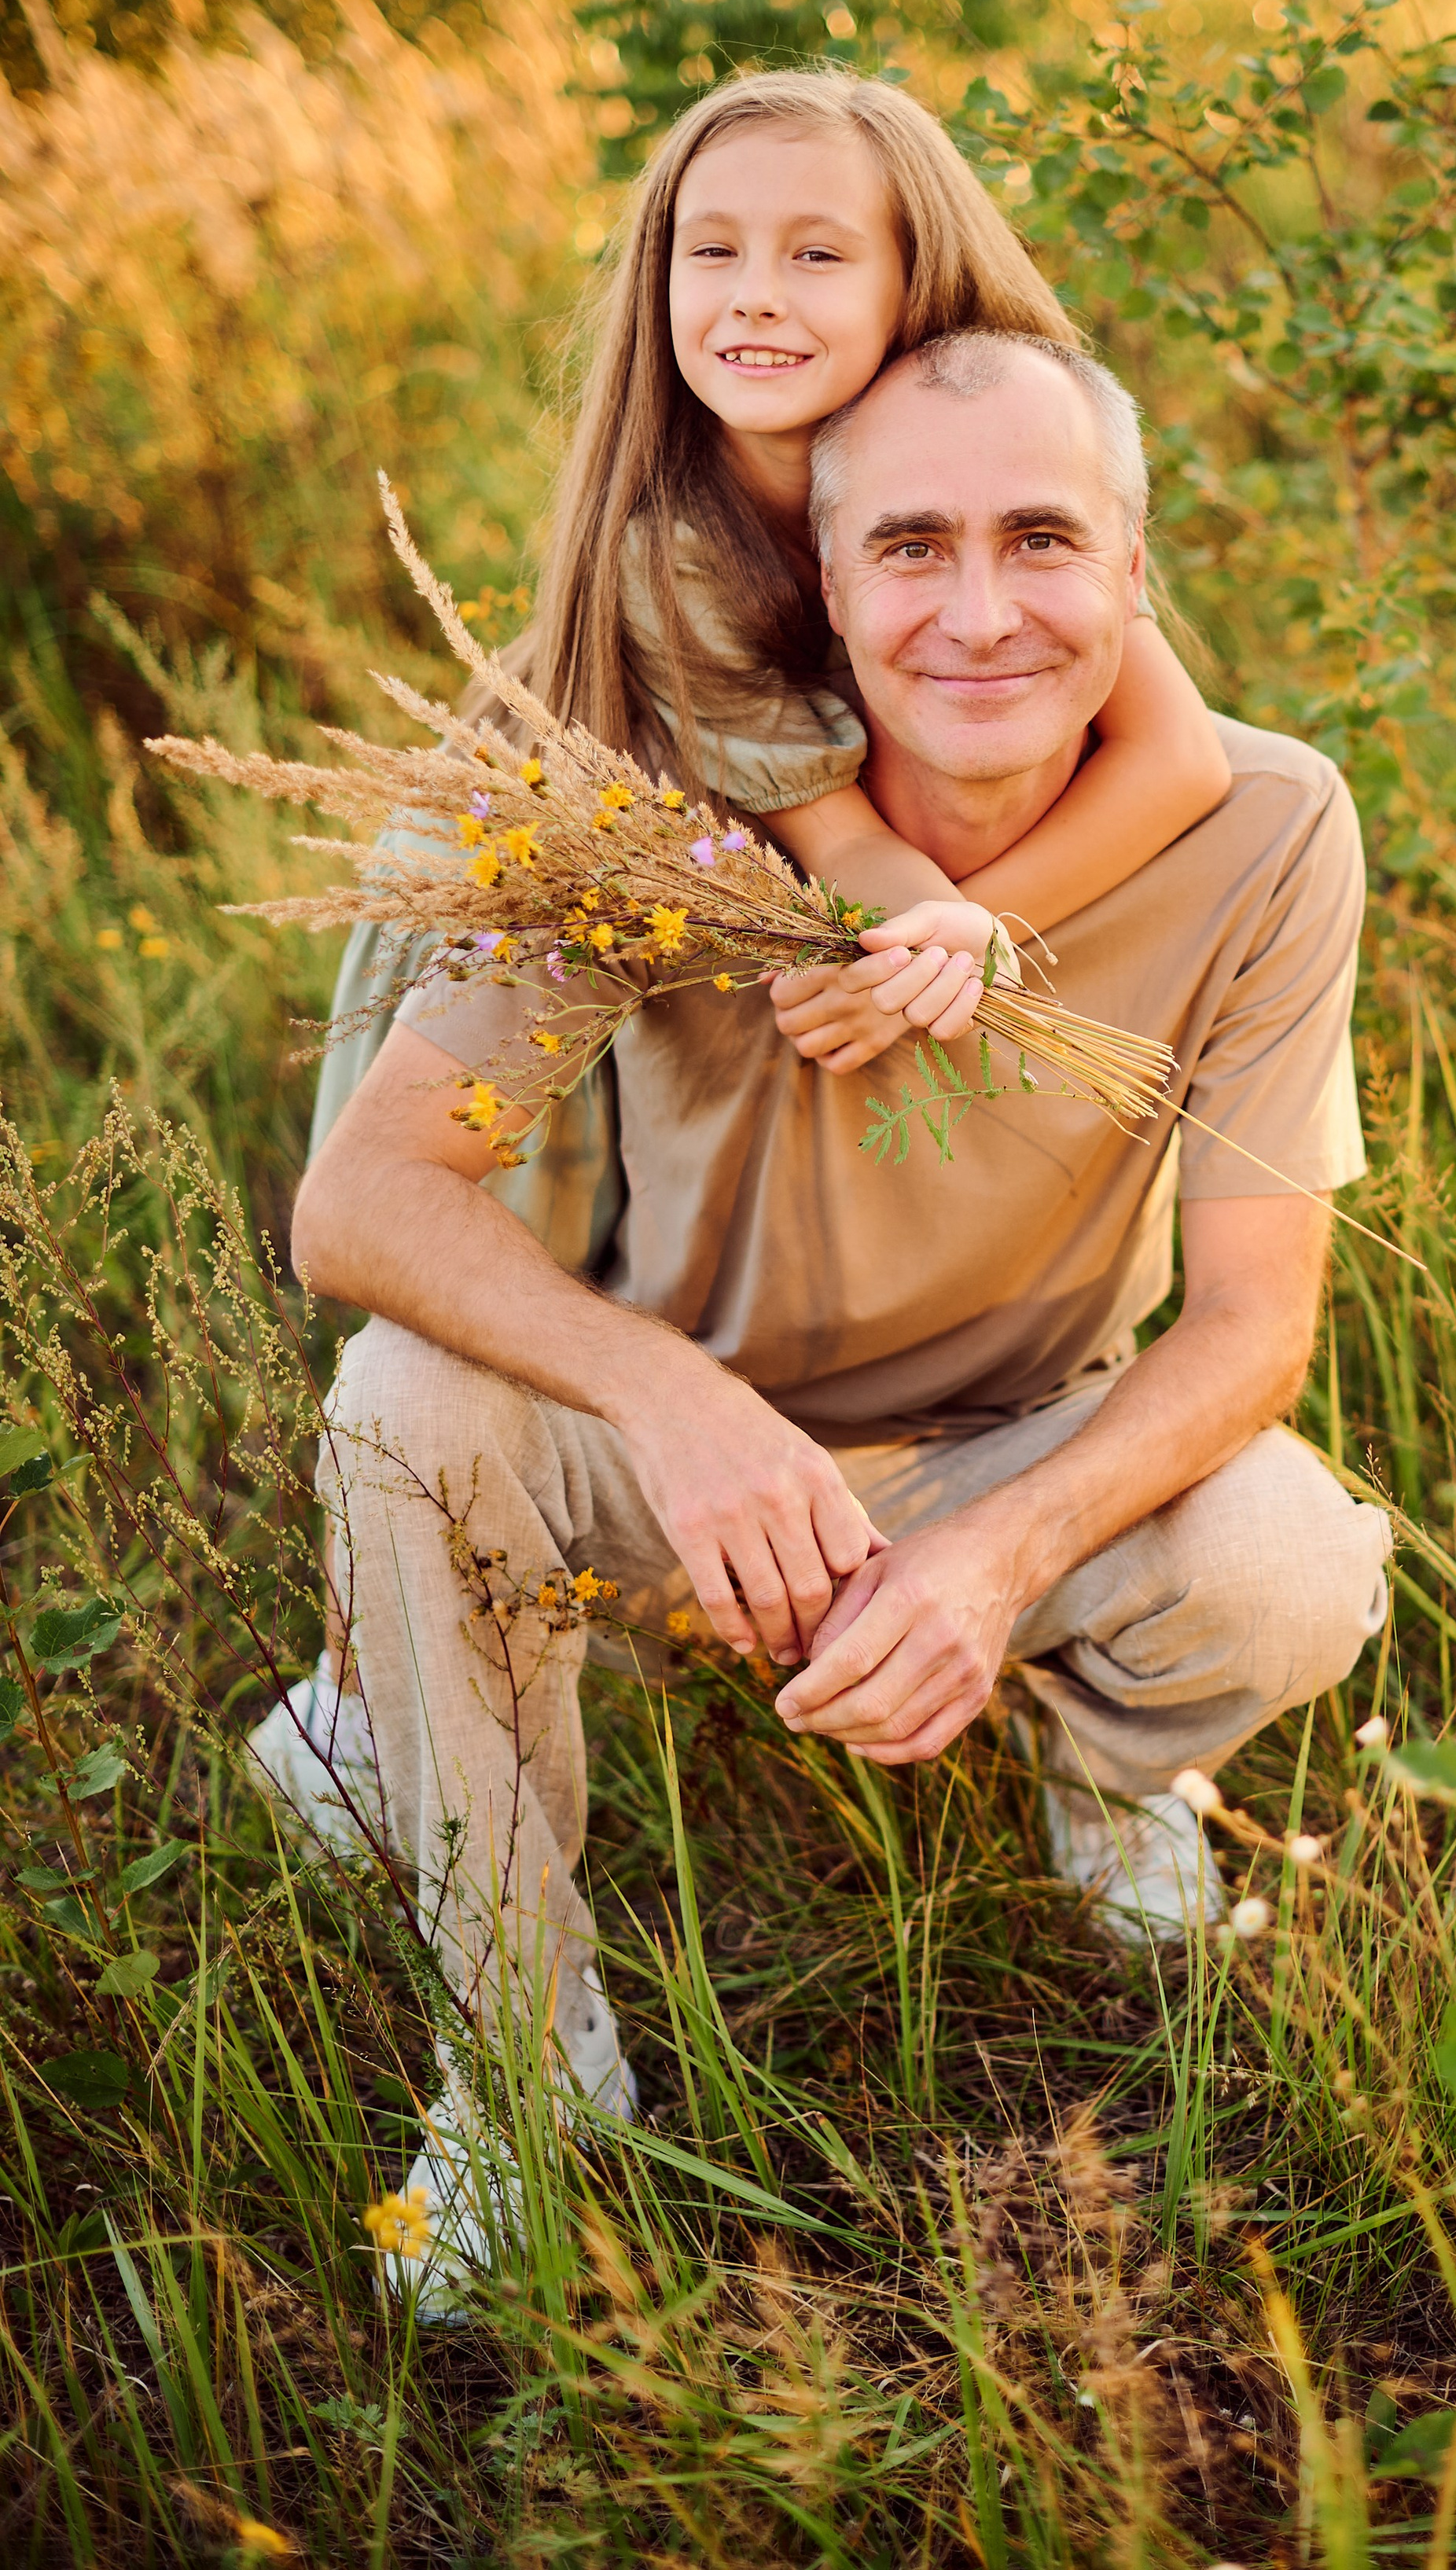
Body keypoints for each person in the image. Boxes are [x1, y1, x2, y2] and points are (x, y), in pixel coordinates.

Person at [289, 326, 1390, 2314]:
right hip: (679, 1464)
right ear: (825, 586)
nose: (981, 612)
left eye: (1043, 538)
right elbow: (360, 1203)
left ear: (1135, 574)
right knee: (396, 1407)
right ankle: (533, 2079)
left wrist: (991, 1554)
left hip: (1007, 1434)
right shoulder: (666, 829)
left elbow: (1249, 1328)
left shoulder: (1269, 830)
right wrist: (674, 1404)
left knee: (1291, 1563)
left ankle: (1108, 1769)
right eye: (912, 548)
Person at [251, 68, 1230, 1829]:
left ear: (912, 281)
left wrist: (984, 931)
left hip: (751, 911)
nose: (753, 296)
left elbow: (1180, 755)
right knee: (489, 1256)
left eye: (810, 255)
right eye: (710, 251)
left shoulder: (989, 465)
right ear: (657, 279)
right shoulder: (678, 547)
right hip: (552, 889)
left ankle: (1015, 1669)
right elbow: (844, 842)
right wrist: (919, 922)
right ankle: (359, 1682)